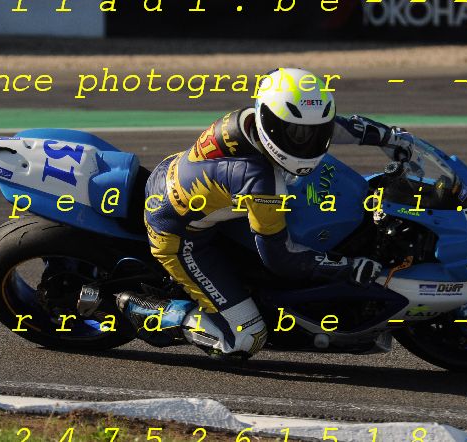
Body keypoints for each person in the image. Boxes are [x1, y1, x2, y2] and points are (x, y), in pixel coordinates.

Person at [116, 68, 415, 360]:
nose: (309, 144)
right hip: (178, 234)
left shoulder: (252, 118)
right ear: (271, 124)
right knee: (246, 337)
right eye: (298, 135)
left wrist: (387, 137)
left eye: (315, 133)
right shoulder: (260, 181)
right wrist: (348, 266)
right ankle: (148, 310)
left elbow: (332, 125)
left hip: (185, 182)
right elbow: (281, 258)